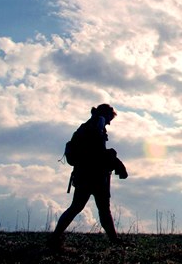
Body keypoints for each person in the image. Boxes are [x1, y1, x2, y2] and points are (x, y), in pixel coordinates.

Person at [49, 104, 128, 249]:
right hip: (95, 177)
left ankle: (55, 237)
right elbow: (97, 153)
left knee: (78, 207)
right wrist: (114, 160)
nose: (110, 122)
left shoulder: (88, 126)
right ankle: (114, 240)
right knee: (101, 209)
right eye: (110, 118)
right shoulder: (98, 124)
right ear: (105, 115)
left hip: (85, 175)